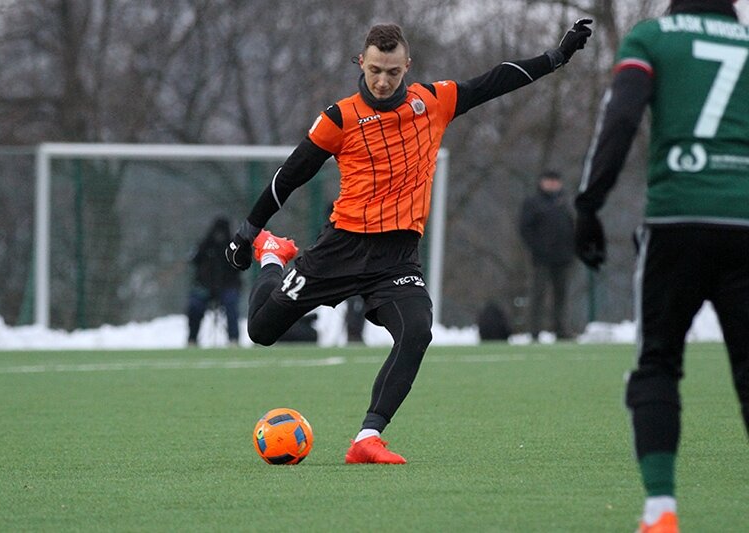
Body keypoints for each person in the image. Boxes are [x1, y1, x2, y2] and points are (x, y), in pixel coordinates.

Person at [226, 20, 593, 464]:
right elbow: (290, 176)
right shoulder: (339, 118)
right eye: (375, 70)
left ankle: (367, 438)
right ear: (361, 63)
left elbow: (494, 81)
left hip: (396, 259)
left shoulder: (432, 102)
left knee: (417, 331)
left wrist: (556, 57)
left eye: (392, 72)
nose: (382, 81)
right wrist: (250, 232)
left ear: (408, 67)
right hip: (341, 248)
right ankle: (272, 256)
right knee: (261, 331)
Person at [574, 1, 748, 531]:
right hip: (744, 221)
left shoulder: (652, 38)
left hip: (677, 221)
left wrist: (589, 205)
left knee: (658, 364)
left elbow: (622, 118)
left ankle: (661, 512)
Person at [518, 170, 575, 340]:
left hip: (563, 257)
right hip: (542, 258)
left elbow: (571, 226)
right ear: (542, 182)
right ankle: (534, 331)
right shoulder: (533, 203)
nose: (552, 184)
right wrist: (538, 248)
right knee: (538, 295)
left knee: (561, 296)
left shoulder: (564, 203)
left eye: (555, 181)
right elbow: (525, 229)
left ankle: (561, 330)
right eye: (549, 181)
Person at [187, 216, 242, 346]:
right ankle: (192, 339)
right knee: (194, 306)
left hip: (227, 286)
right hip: (205, 287)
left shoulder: (233, 248)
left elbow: (239, 267)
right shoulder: (205, 246)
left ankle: (233, 339)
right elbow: (194, 260)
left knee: (231, 305)